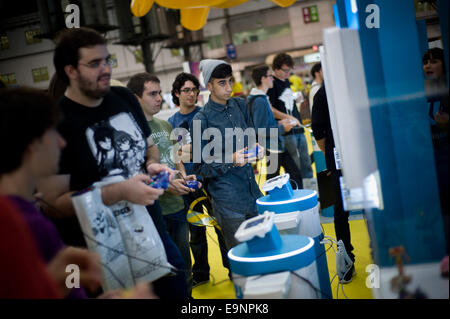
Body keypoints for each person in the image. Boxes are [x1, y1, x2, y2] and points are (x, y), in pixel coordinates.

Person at [37, 27, 187, 299]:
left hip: (151, 229)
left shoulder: (124, 99)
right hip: (102, 249)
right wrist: (118, 192)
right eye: (95, 64)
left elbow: (150, 149)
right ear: (70, 70)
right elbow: (53, 204)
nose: (105, 69)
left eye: (107, 60)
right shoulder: (56, 122)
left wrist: (152, 165)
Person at [0, 88, 157, 299]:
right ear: (32, 144)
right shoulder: (15, 224)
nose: (62, 143)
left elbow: (59, 290)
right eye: (53, 133)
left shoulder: (26, 215)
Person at [127, 72, 195, 297]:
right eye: (152, 94)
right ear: (136, 98)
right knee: (165, 274)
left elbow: (176, 158)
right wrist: (168, 185)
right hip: (154, 213)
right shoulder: (130, 132)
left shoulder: (165, 126)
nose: (159, 99)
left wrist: (182, 176)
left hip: (177, 206)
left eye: (159, 93)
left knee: (185, 267)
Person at [191, 59, 264, 250]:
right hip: (228, 202)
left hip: (253, 194)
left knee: (265, 251)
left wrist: (257, 148)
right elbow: (201, 166)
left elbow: (250, 138)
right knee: (243, 259)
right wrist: (231, 160)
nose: (229, 87)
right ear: (209, 86)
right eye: (222, 83)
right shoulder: (201, 119)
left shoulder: (240, 105)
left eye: (230, 81)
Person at [168, 72, 231, 286]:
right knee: (196, 231)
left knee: (220, 227)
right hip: (188, 184)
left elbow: (212, 148)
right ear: (177, 93)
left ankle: (231, 269)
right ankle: (201, 274)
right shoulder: (172, 123)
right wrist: (185, 174)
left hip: (211, 181)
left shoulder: (205, 116)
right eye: (186, 90)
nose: (191, 94)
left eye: (194, 90)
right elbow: (176, 155)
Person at [311, 84, 356, 283]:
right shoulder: (323, 93)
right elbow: (318, 131)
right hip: (338, 156)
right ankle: (346, 258)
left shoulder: (358, 80)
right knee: (340, 208)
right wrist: (329, 156)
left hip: (364, 148)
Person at [266, 53, 314, 188]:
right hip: (287, 132)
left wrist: (294, 99)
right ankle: (300, 192)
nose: (288, 73)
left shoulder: (286, 81)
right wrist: (288, 118)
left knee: (306, 164)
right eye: (285, 70)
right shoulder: (272, 85)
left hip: (298, 128)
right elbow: (271, 109)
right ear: (276, 69)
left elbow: (283, 102)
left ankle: (311, 192)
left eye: (289, 70)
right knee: (296, 168)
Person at [247, 65, 297, 178]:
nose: (273, 78)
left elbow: (264, 124)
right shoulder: (259, 101)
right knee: (274, 180)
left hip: (275, 145)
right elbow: (261, 130)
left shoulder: (262, 98)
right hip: (271, 147)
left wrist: (279, 123)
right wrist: (283, 128)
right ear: (262, 79)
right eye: (270, 76)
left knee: (290, 175)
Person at [422, 47, 449, 254]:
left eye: (434, 61)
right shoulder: (420, 92)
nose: (428, 66)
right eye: (426, 62)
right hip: (430, 167)